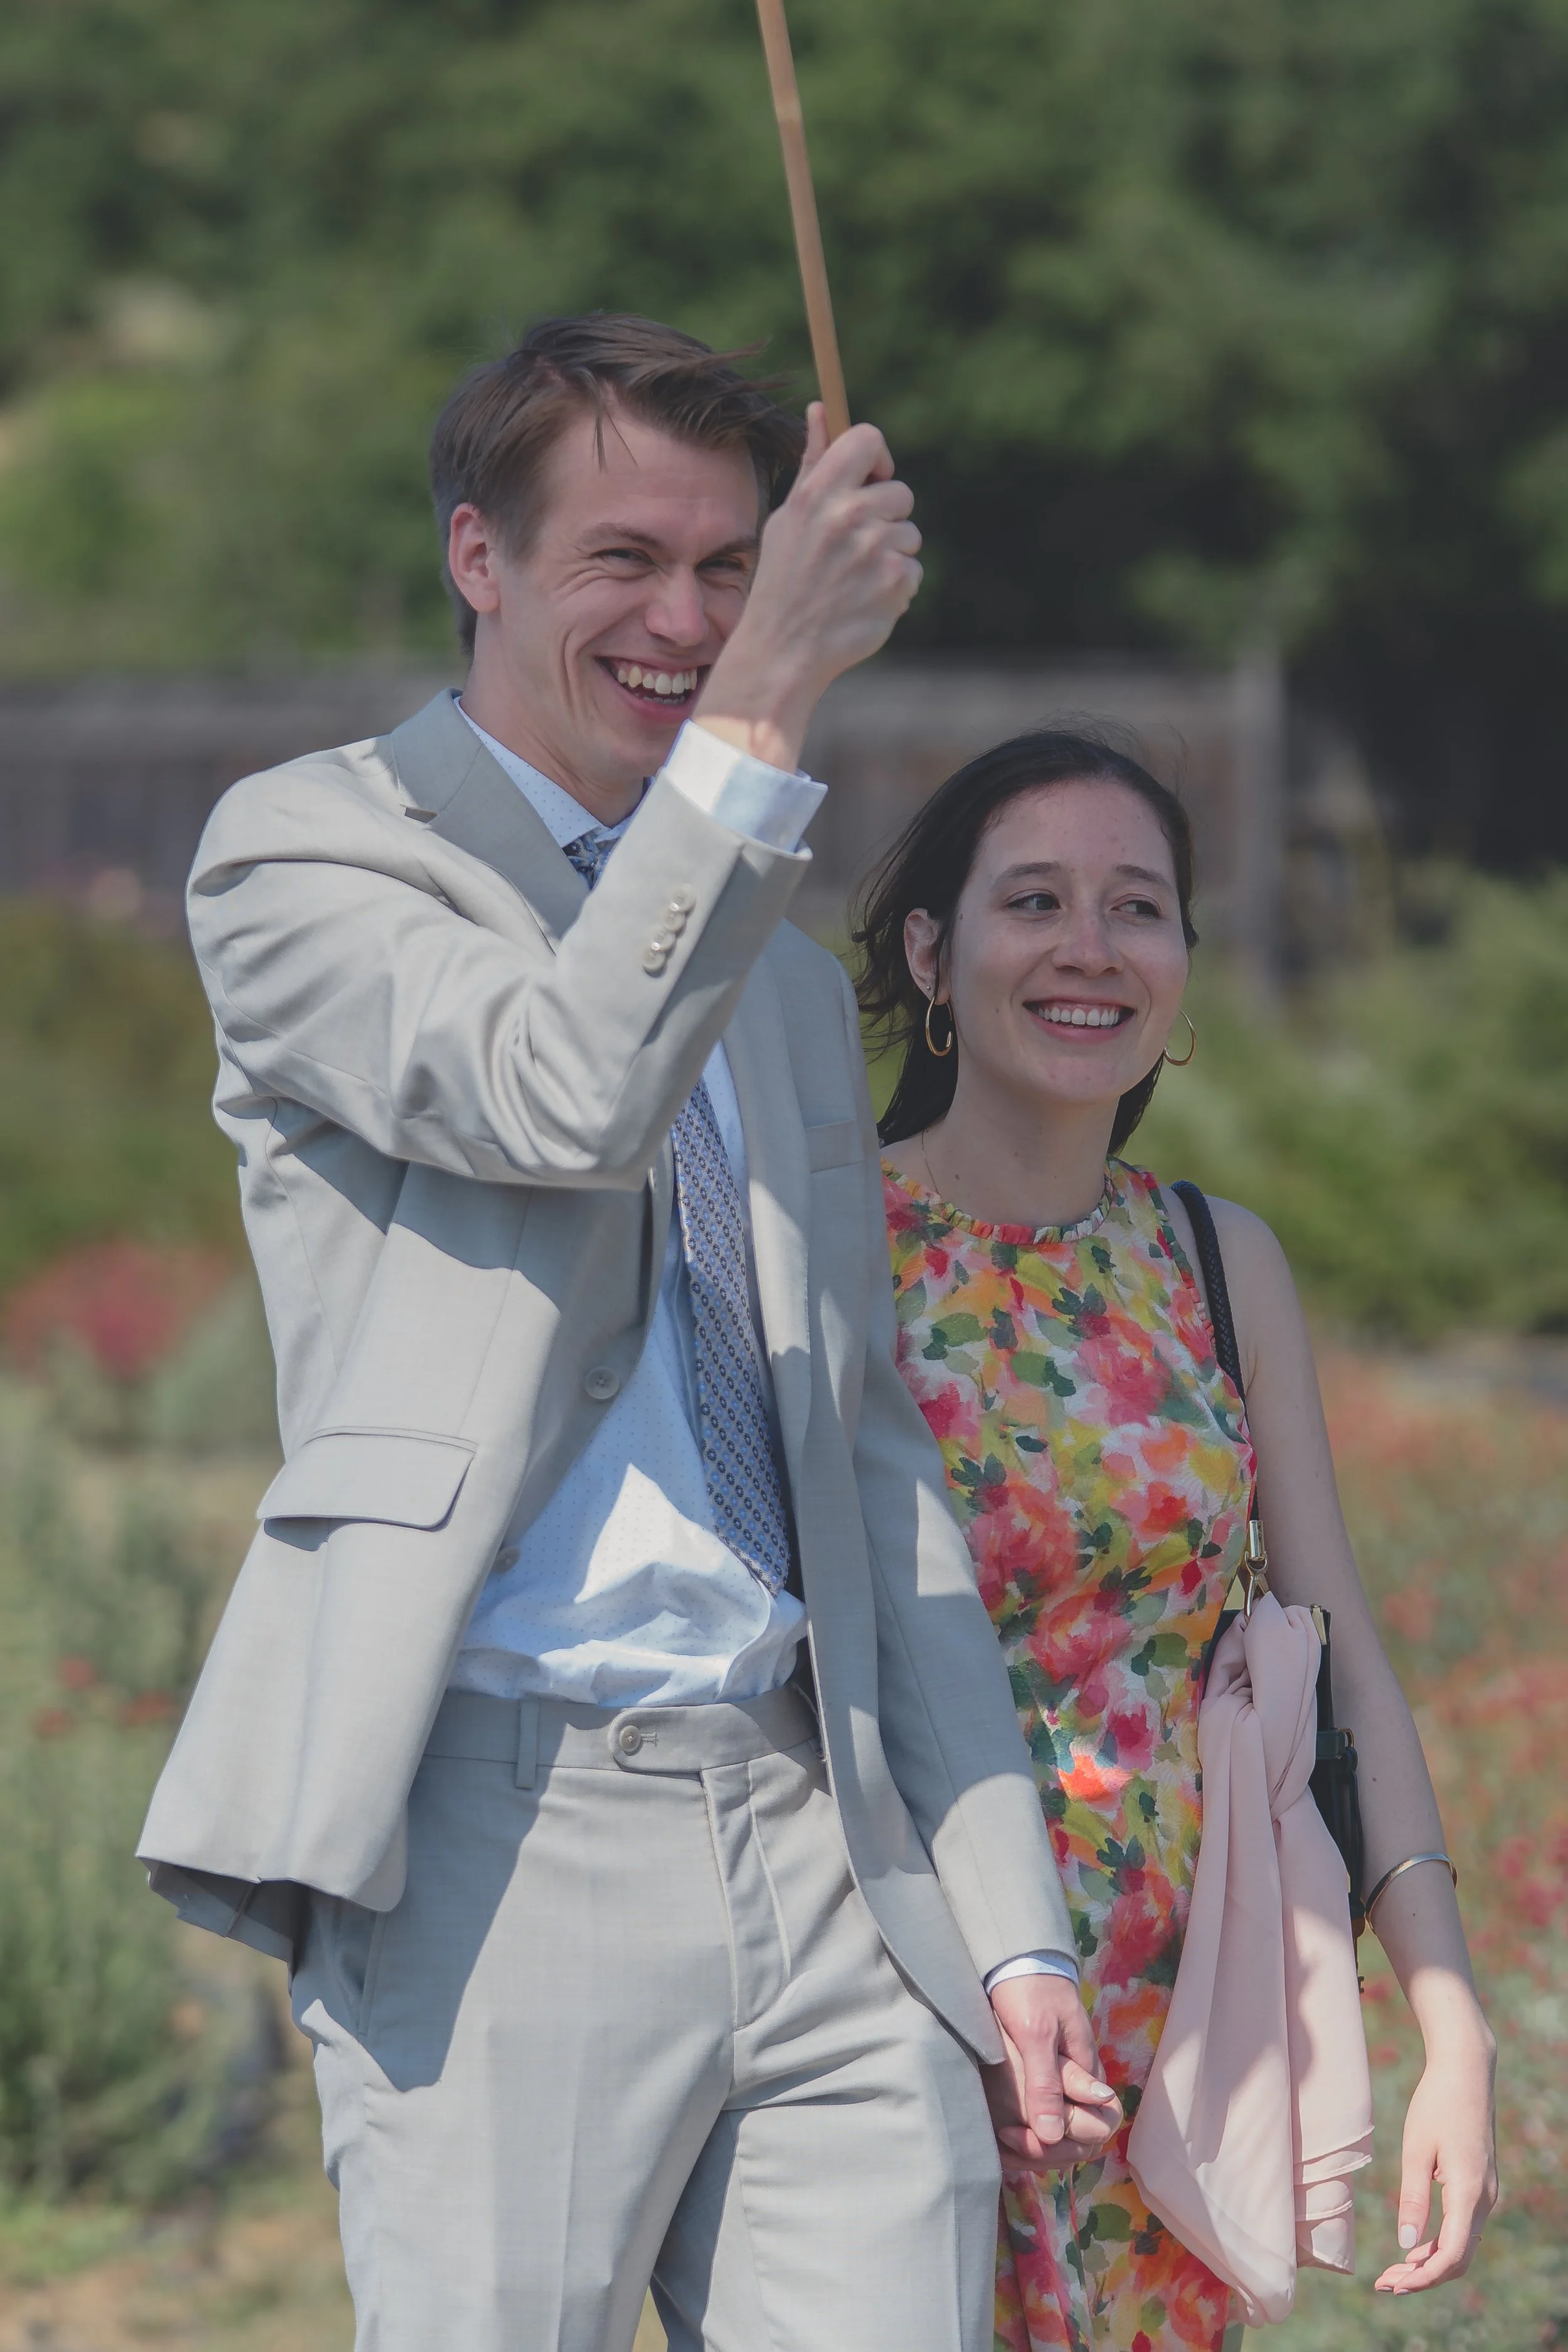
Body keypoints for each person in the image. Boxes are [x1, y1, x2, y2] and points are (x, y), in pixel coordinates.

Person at [137, 315, 1118, 2352]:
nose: (683, 617)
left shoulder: (758, 943)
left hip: (822, 1833)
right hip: (501, 1835)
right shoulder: (307, 849)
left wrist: (1008, 1911)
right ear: (476, 558)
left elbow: (860, 1444)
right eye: (622, 560)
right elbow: (558, 1093)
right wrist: (758, 719)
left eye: (730, 569)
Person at [854, 729, 1498, 2352]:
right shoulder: (828, 1248)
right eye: (1034, 900)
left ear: (1183, 968)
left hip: (1186, 2025)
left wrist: (1448, 2014)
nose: (1089, 946)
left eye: (1136, 905)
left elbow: (1332, 1635)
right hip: (895, 2013)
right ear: (931, 952)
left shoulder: (1215, 1257)